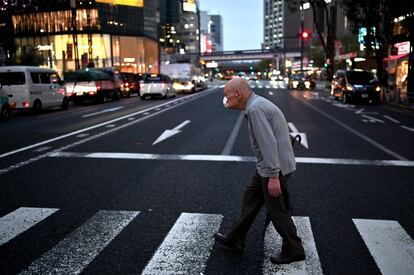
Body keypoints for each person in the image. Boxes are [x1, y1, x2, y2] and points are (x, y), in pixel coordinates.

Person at [214, 77, 305, 264]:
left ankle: (294, 249)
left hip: (274, 167)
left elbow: (268, 143)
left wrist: (273, 176)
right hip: (269, 166)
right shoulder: (256, 104)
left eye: (227, 95)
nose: (226, 100)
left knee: (276, 210)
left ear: (238, 94)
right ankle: (235, 239)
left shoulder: (256, 109)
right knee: (251, 198)